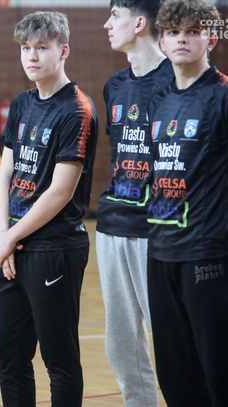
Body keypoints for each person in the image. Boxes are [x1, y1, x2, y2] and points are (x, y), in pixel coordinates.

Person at [0, 11, 98, 407]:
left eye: (41, 47)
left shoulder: (77, 110)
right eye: (25, 48)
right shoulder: (22, 103)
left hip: (54, 248)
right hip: (13, 246)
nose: (31, 56)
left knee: (59, 360)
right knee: (9, 357)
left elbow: (60, 192)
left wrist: (10, 237)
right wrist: (4, 234)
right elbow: (6, 172)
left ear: (63, 50)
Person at [146, 1, 228, 405]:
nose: (182, 39)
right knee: (175, 376)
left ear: (210, 39)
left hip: (208, 253)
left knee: (218, 372)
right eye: (174, 32)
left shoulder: (222, 96)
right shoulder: (159, 100)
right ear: (162, 41)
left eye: (193, 31)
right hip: (161, 253)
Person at [96, 1, 172, 405]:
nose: (106, 24)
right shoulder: (115, 85)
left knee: (173, 340)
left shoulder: (177, 80)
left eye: (115, 16)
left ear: (140, 23)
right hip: (112, 226)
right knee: (122, 347)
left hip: (158, 232)